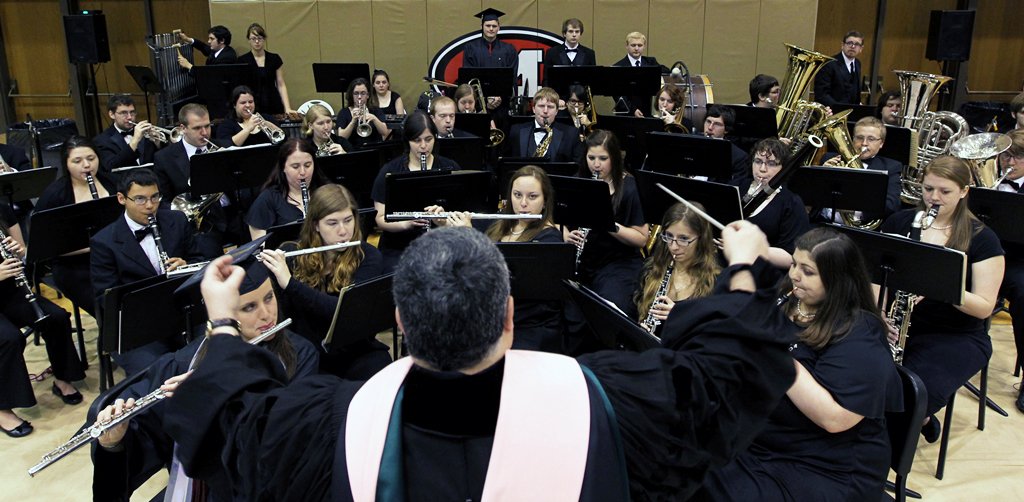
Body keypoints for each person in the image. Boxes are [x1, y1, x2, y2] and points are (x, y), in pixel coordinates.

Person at [162, 222, 798, 500]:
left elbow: (228, 421)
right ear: (510, 317)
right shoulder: (611, 405)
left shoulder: (327, 424)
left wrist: (221, 321)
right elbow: (730, 371)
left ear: (402, 325)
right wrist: (740, 266)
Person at [91, 253, 318, 500]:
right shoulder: (182, 363)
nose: (266, 314)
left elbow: (285, 447)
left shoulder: (299, 355)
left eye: (269, 297)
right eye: (249, 307)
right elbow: (145, 441)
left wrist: (209, 401)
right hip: (195, 489)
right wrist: (114, 443)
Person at [698, 227, 902, 501]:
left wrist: (770, 350)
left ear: (836, 279)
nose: (794, 274)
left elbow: (835, 418)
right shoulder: (788, 298)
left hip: (826, 465)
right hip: (768, 439)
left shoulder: (860, 332)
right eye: (794, 263)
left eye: (808, 271)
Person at [879, 155, 1005, 441]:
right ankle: (917, 422)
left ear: (964, 191)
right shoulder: (899, 222)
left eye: (945, 191)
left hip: (955, 335)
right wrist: (879, 315)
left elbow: (984, 307)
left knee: (908, 392)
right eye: (927, 189)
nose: (933, 198)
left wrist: (941, 285)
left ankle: (911, 428)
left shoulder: (983, 239)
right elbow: (878, 278)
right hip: (899, 325)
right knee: (859, 373)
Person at [260, 183, 387, 379]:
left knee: (380, 369)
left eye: (348, 220)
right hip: (308, 352)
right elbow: (285, 319)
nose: (344, 231)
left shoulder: (368, 256)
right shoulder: (292, 255)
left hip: (355, 350)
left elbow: (345, 311)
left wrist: (290, 284)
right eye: (332, 223)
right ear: (315, 225)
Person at [90, 168, 202, 374]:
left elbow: (200, 260)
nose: (150, 206)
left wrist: (186, 265)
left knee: (216, 351)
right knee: (159, 375)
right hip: (137, 330)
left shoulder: (177, 221)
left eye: (155, 197)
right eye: (140, 199)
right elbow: (105, 298)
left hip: (182, 313)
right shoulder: (104, 242)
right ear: (122, 199)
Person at [448, 166, 565, 352]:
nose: (523, 203)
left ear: (545, 201)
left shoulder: (549, 239)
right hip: (494, 317)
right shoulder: (500, 224)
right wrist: (443, 223)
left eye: (532, 196)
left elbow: (513, 282)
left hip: (527, 325)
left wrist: (471, 236)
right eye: (517, 195)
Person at [0, 207, 85, 438]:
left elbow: (25, 254)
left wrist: (19, 253)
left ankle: (62, 378)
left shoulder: (2, 211)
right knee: (8, 338)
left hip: (9, 291)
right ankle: (3, 409)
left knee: (55, 318)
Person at [566, 130, 649, 312]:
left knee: (608, 308)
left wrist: (609, 223)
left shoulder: (629, 187)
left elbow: (642, 238)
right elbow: (560, 219)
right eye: (591, 158)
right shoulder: (578, 181)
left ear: (614, 158)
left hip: (618, 264)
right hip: (585, 262)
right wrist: (566, 235)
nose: (596, 165)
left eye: (603, 159)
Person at [35, 136, 117, 317]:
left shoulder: (112, 183)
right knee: (108, 308)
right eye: (77, 161)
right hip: (76, 268)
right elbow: (45, 246)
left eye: (91, 158)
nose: (87, 165)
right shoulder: (55, 195)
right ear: (66, 163)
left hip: (115, 258)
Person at [372, 110, 461, 270]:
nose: (423, 146)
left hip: (442, 243)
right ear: (407, 141)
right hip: (398, 247)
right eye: (417, 140)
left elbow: (461, 214)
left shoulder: (450, 167)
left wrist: (443, 221)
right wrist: (406, 223)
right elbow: (379, 217)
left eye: (428, 139)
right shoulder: (390, 171)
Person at [152, 103, 233, 257]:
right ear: (183, 128)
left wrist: (227, 164)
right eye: (197, 128)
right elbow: (163, 200)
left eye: (207, 126)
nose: (204, 133)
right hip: (197, 228)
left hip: (230, 216)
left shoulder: (224, 147)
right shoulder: (164, 158)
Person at [635, 202, 721, 334]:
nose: (674, 246)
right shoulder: (651, 268)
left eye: (683, 238)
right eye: (669, 236)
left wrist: (682, 318)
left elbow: (714, 336)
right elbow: (633, 312)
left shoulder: (716, 282)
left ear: (701, 239)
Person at [729, 138, 810, 260]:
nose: (762, 169)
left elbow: (791, 257)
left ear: (783, 168)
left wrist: (748, 248)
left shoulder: (791, 203)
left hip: (762, 271)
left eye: (771, 163)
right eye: (757, 161)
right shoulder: (734, 187)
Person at [821, 116, 903, 222]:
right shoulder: (829, 158)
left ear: (881, 143)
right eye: (859, 137)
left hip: (860, 230)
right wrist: (822, 174)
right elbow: (808, 194)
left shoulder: (891, 167)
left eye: (871, 139)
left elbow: (892, 204)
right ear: (852, 139)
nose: (864, 143)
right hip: (822, 222)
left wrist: (854, 209)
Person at [994, 130, 1024, 412]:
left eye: (1016, 157)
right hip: (982, 257)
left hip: (1017, 261)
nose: (1008, 162)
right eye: (1005, 155)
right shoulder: (987, 181)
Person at [247, 138, 329, 240]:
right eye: (295, 167)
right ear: (283, 168)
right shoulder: (268, 199)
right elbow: (260, 246)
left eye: (308, 165)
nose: (303, 172)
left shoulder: (327, 192)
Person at [462, 8, 518, 113]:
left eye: (494, 26)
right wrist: (485, 98)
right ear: (481, 27)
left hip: (502, 105)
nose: (491, 29)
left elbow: (512, 77)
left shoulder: (509, 50)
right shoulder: (471, 48)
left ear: (499, 28)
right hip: (479, 105)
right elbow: (469, 78)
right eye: (488, 26)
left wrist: (499, 97)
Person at [506, 87, 583, 162]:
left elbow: (577, 166)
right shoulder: (516, 131)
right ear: (533, 109)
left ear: (556, 111)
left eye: (550, 107)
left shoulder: (571, 133)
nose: (545, 111)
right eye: (541, 106)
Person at [237, 23, 295, 116]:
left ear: (264, 39)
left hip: (273, 101)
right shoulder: (242, 61)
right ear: (248, 40)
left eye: (259, 38)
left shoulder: (274, 58)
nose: (257, 41)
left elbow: (281, 84)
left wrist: (287, 107)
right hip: (253, 104)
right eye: (253, 38)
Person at [93, 94, 158, 176]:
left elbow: (158, 160)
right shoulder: (101, 141)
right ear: (112, 114)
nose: (130, 117)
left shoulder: (145, 132)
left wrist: (157, 143)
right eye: (124, 113)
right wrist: (134, 141)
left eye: (132, 112)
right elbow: (111, 166)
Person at [612, 31, 667, 117]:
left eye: (640, 45)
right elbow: (618, 95)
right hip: (626, 114)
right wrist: (633, 110)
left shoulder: (650, 62)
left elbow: (665, 71)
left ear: (644, 46)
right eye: (633, 45)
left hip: (646, 112)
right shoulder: (618, 67)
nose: (636, 48)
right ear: (627, 46)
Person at [814, 30, 865, 107]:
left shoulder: (858, 63)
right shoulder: (828, 63)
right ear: (842, 45)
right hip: (832, 112)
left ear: (861, 48)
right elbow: (821, 94)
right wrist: (839, 108)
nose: (853, 46)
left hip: (852, 113)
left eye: (857, 44)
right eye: (849, 43)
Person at [542, 18, 597, 89]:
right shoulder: (552, 52)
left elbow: (593, 80)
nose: (574, 35)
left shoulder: (589, 54)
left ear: (580, 34)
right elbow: (546, 79)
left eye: (577, 32)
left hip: (581, 98)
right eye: (571, 31)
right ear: (564, 33)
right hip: (558, 98)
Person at [336, 78, 389, 148]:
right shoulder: (344, 112)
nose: (359, 97)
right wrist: (353, 121)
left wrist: (374, 118)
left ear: (368, 95)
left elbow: (385, 132)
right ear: (352, 95)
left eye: (363, 93)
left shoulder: (376, 110)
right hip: (352, 151)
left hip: (374, 150)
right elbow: (341, 137)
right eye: (356, 93)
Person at [704, 105, 752, 182]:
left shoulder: (739, 158)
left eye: (717, 124)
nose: (710, 127)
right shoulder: (689, 143)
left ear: (726, 130)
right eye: (708, 121)